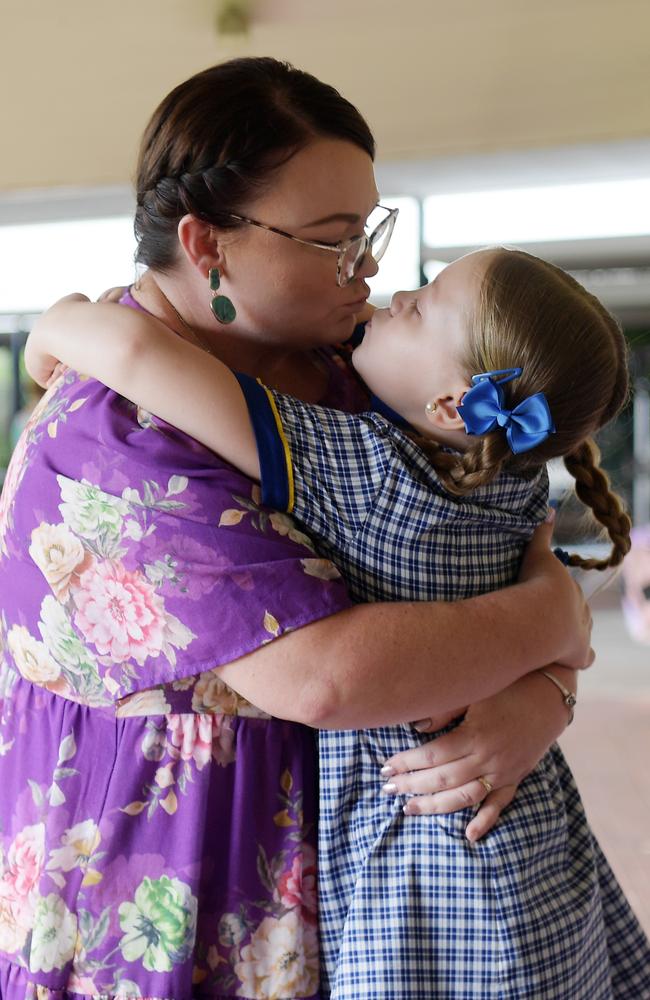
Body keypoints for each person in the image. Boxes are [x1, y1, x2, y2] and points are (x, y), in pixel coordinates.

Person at [0, 59, 592, 1000]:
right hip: (179, 870)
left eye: (367, 234)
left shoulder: (348, 362)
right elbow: (325, 677)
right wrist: (555, 621)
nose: (370, 272)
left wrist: (544, 695)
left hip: (367, 861)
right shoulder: (111, 437)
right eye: (332, 241)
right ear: (208, 245)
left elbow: (472, 554)